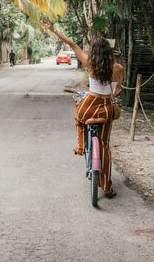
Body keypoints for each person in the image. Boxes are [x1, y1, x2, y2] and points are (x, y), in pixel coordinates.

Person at [46, 22, 123, 198]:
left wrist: (54, 30)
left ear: (94, 51)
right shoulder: (118, 68)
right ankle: (108, 187)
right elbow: (117, 89)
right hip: (106, 108)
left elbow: (72, 45)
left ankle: (81, 146)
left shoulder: (89, 62)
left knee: (79, 118)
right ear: (110, 52)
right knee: (105, 146)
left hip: (89, 104)